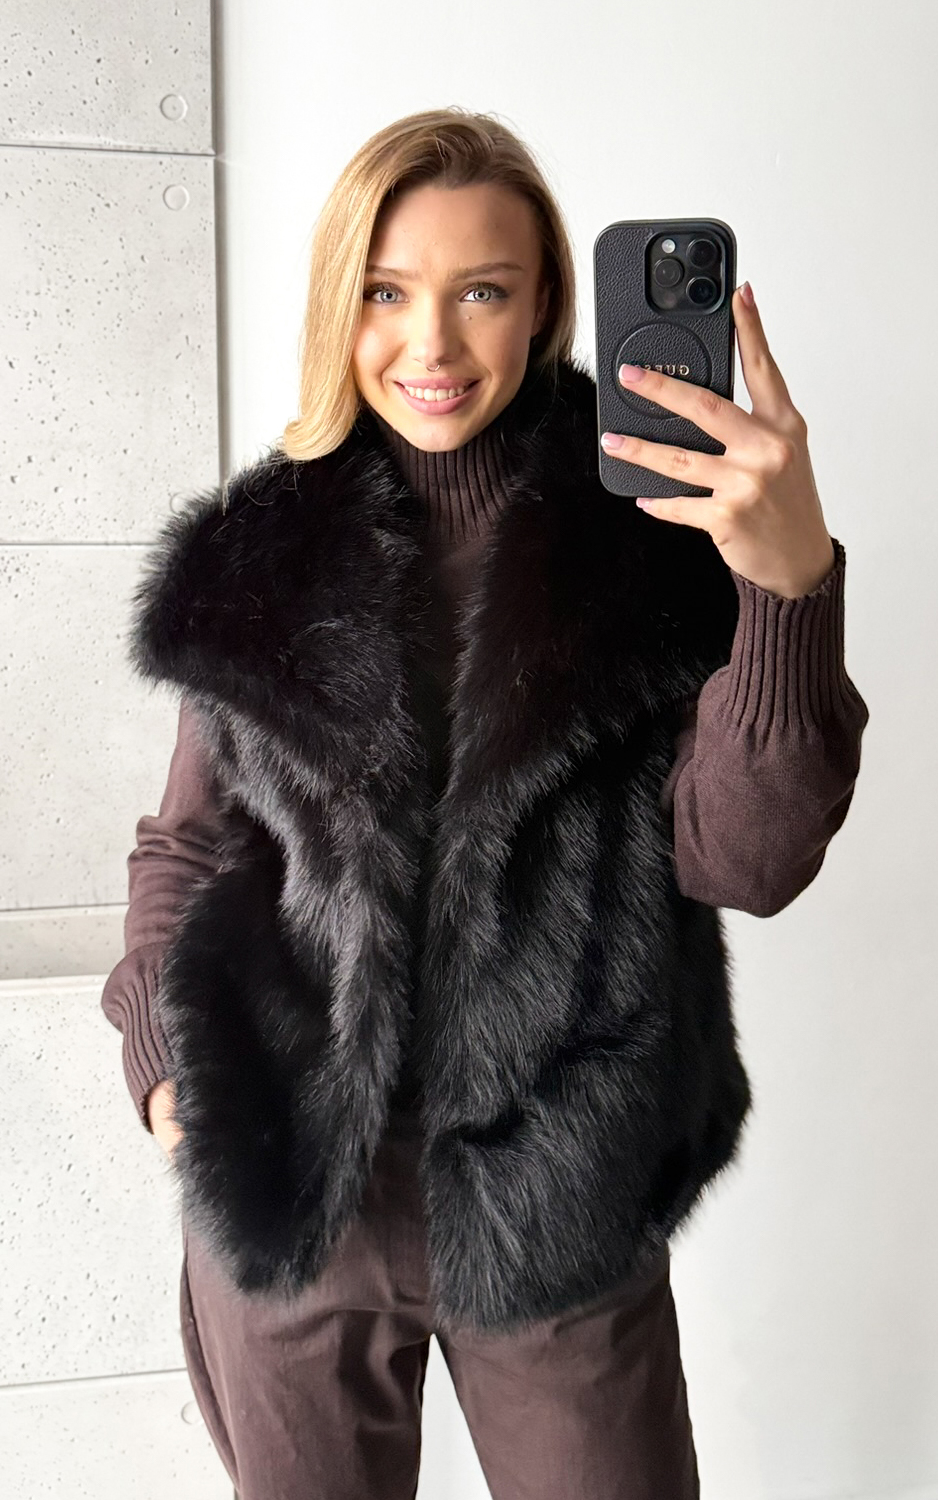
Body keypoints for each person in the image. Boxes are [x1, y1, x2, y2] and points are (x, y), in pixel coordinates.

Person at [102, 107, 869, 1499]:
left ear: (546, 304)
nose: (432, 345)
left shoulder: (661, 546)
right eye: (387, 291)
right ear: (339, 304)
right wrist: (164, 1070)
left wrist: (786, 583)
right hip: (292, 1198)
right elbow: (190, 843)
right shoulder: (258, 555)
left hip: (560, 1202)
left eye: (482, 292)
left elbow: (747, 861)